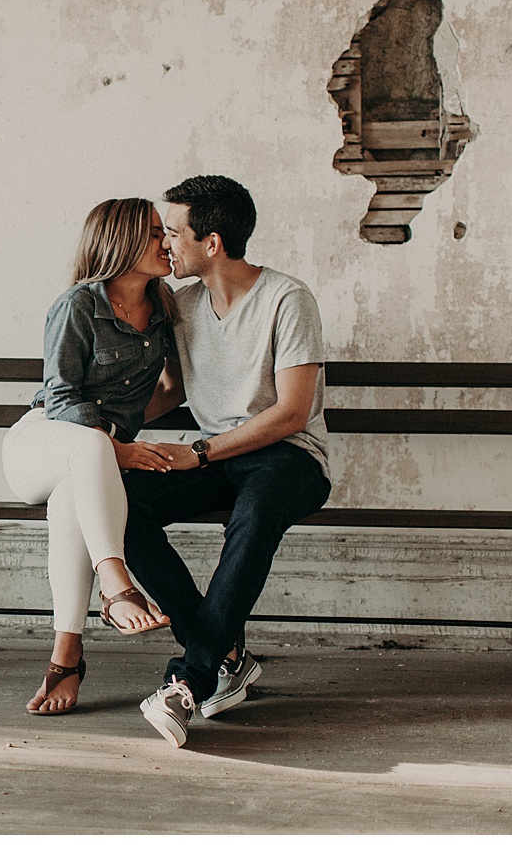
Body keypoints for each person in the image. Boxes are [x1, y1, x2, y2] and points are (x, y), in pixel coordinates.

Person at [122, 175, 331, 747]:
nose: (164, 244)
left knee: (257, 505)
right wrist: (96, 426)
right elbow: (168, 393)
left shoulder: (288, 299)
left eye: (173, 232)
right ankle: (224, 654)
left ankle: (188, 680)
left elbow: (292, 413)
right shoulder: (181, 305)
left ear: (211, 242)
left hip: (289, 459)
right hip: (216, 459)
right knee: (121, 502)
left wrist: (199, 452)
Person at [1, 197, 184, 717]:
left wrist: (123, 438)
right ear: (121, 241)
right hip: (41, 445)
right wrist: (116, 447)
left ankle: (67, 659)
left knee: (72, 508)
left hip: (92, 461)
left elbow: (173, 387)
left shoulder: (165, 309)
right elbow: (60, 399)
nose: (166, 242)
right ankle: (116, 583)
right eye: (154, 233)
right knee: (90, 446)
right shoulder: (79, 304)